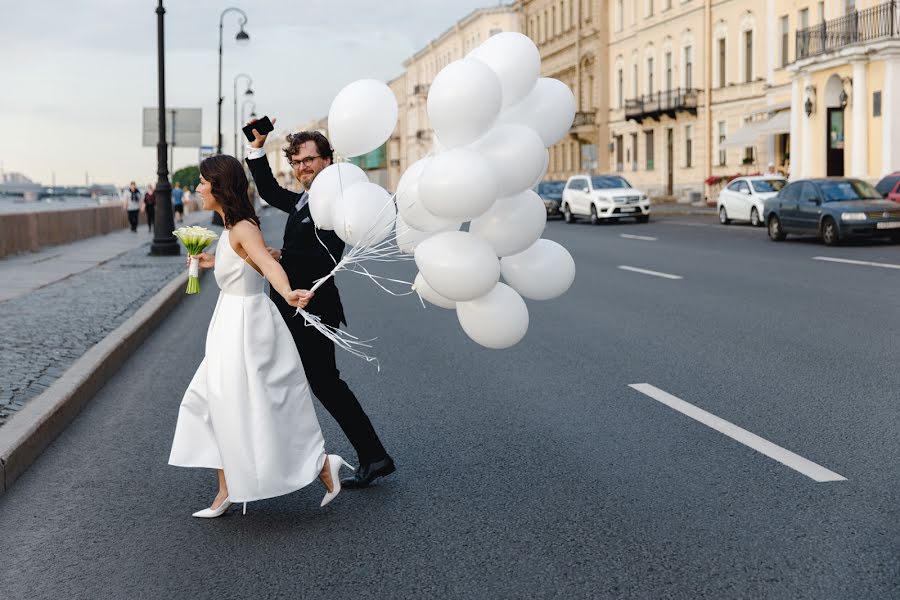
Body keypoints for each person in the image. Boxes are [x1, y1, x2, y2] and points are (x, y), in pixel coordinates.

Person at [168, 154, 352, 518]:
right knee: (210, 403)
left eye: (204, 182)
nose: (198, 189)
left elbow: (268, 265)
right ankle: (225, 490)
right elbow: (250, 262)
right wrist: (211, 261)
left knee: (257, 405)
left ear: (220, 186)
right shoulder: (230, 227)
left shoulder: (242, 228)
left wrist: (287, 292)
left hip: (247, 327)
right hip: (229, 324)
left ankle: (319, 464)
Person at [244, 118, 395, 488]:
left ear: (328, 160)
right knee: (312, 381)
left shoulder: (338, 204)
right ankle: (371, 456)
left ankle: (369, 456)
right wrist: (257, 148)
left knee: (321, 383)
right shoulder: (304, 200)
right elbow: (267, 190)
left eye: (308, 160)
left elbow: (326, 258)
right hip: (296, 304)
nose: (301, 168)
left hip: (312, 305)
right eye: (295, 162)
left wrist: (286, 259)